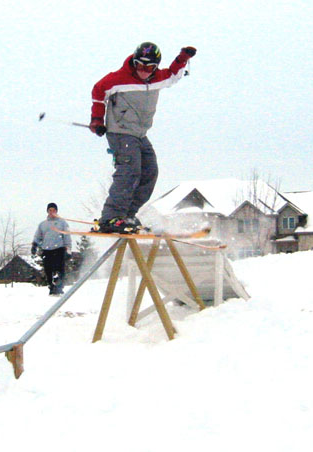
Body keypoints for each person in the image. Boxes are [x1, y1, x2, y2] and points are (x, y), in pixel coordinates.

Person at [89, 42, 197, 233]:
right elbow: (98, 91)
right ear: (134, 62)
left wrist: (182, 59)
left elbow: (173, 75)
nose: (144, 71)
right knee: (129, 170)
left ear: (155, 67)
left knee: (149, 172)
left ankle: (127, 215)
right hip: (120, 132)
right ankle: (111, 217)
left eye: (149, 67)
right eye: (140, 66)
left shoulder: (157, 79)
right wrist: (97, 119)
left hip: (140, 134)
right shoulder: (118, 78)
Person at [31, 203, 72, 295]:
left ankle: (59, 287)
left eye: (54, 210)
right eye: (50, 210)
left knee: (59, 269)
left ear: (56, 211)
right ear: (47, 211)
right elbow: (38, 236)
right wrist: (34, 245)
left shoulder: (62, 223)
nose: (52, 212)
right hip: (47, 250)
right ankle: (51, 287)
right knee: (48, 270)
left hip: (59, 249)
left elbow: (67, 237)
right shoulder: (43, 224)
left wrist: (68, 249)